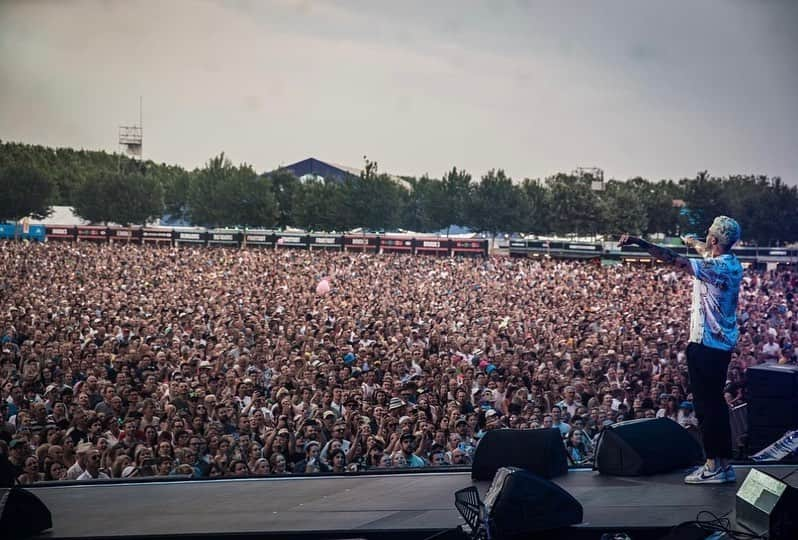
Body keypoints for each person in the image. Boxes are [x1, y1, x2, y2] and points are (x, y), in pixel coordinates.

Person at [619, 215, 742, 484]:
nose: (706, 237)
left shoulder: (714, 268)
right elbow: (705, 250)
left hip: (705, 345)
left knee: (706, 408)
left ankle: (713, 466)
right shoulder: (733, 264)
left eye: (708, 234)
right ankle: (724, 464)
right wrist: (692, 241)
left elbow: (672, 258)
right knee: (717, 405)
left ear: (714, 240)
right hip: (721, 346)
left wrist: (640, 242)